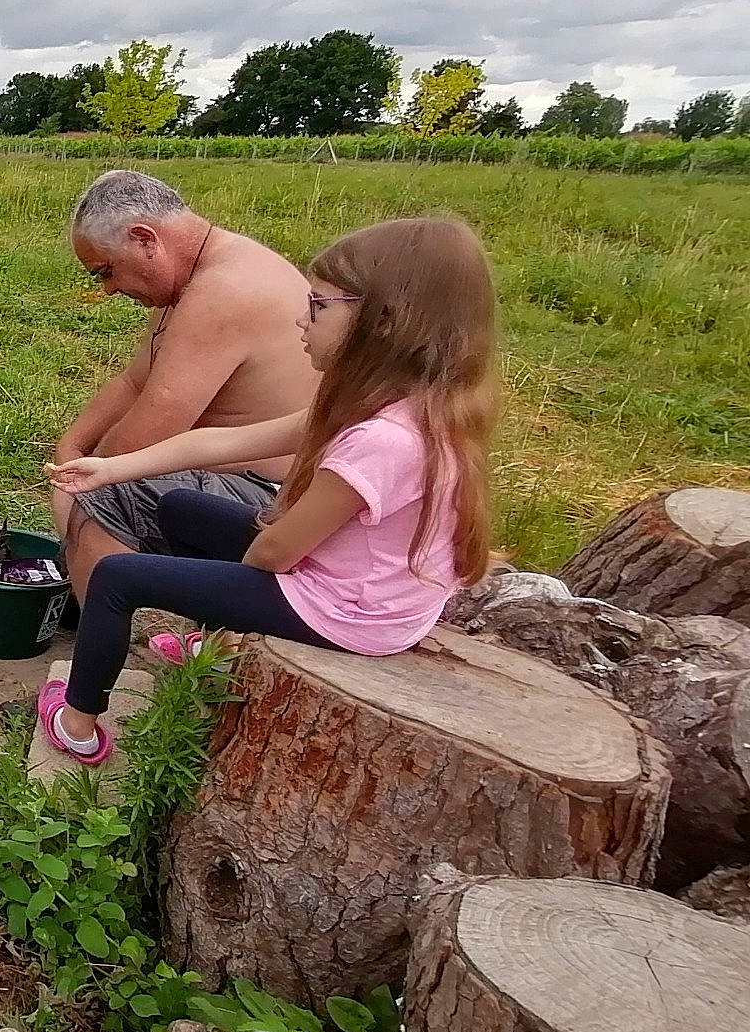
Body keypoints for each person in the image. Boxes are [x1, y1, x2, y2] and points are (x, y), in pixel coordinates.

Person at [34, 216, 498, 763]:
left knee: (118, 578)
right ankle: (213, 645)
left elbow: (276, 551)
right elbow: (219, 443)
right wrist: (112, 468)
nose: (301, 322)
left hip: (346, 612)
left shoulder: (387, 440)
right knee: (182, 509)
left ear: (383, 323)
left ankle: (79, 723)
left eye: (318, 306)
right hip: (346, 579)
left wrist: (230, 580)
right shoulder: (372, 403)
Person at [53, 170, 319, 602]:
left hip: (272, 497)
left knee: (105, 499)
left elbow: (150, 433)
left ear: (145, 239)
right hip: (231, 473)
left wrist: (89, 476)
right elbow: (134, 380)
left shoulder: (224, 291)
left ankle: (104, 652)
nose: (108, 289)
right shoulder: (193, 277)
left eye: (106, 271)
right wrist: (71, 445)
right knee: (87, 482)